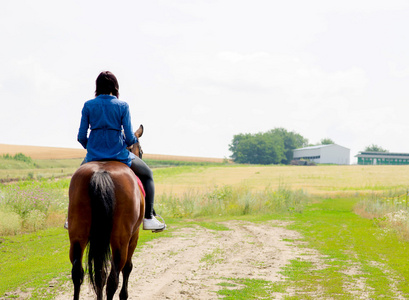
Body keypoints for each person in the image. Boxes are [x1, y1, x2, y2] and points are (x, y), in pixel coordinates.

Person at [72, 71, 165, 232]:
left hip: (93, 156)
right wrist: (131, 141)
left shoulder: (88, 105)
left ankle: (70, 218)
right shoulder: (122, 106)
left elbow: (81, 136)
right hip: (119, 155)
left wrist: (93, 147)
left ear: (97, 87)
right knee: (148, 175)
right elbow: (129, 137)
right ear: (115, 88)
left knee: (76, 180)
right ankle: (149, 217)